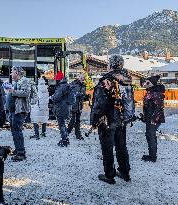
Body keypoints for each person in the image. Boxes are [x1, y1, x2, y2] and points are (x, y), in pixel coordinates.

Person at [90, 55, 133, 184]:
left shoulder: (106, 80)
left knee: (107, 148)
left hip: (107, 120)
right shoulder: (127, 80)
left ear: (111, 65)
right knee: (121, 146)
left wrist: (94, 121)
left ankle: (109, 175)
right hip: (122, 118)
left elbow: (99, 103)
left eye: (108, 63)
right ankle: (125, 172)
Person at [5, 66, 31, 161]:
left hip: (19, 111)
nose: (11, 74)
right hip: (13, 111)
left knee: (17, 132)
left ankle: (21, 153)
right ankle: (18, 149)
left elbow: (26, 93)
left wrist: (13, 91)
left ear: (17, 73)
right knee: (14, 131)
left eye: (12, 72)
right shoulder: (16, 82)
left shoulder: (25, 80)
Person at [141, 75, 165, 162]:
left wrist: (154, 120)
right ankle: (152, 155)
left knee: (151, 136)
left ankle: (152, 157)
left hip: (154, 119)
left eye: (147, 82)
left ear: (152, 84)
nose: (145, 84)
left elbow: (159, 108)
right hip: (150, 118)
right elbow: (149, 106)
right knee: (149, 136)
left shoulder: (156, 93)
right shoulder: (151, 92)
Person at [51, 71, 71, 147]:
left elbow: (56, 98)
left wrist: (52, 97)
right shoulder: (67, 85)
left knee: (61, 125)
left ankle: (64, 140)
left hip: (60, 108)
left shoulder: (61, 87)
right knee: (63, 124)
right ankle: (66, 138)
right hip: (66, 107)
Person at [67, 73, 86, 140]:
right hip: (73, 105)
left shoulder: (83, 85)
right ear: (78, 77)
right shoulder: (73, 84)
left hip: (79, 105)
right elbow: (70, 93)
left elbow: (84, 94)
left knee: (78, 121)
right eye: (81, 77)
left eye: (83, 77)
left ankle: (78, 135)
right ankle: (66, 133)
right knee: (72, 121)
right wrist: (77, 94)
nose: (82, 78)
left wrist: (84, 95)